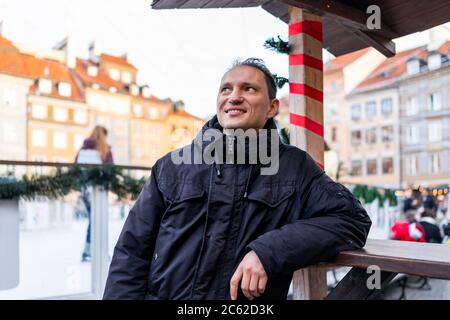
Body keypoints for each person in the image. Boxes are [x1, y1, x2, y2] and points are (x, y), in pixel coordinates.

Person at [103, 58, 371, 300]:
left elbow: (351, 220)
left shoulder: (293, 167)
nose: (234, 97)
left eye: (249, 89)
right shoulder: (171, 166)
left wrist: (268, 251)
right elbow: (131, 252)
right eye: (226, 89)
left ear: (271, 108)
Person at [75, 125, 114, 262]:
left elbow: (76, 168)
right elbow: (110, 170)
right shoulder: (104, 150)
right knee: (98, 220)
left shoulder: (83, 148)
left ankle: (89, 250)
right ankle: (95, 251)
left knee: (93, 220)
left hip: (85, 190)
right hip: (100, 190)